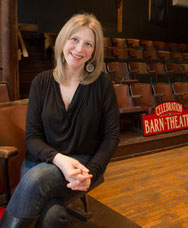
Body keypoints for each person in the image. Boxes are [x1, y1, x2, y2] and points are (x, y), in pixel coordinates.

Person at [0, 13, 119, 228]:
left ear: (94, 51)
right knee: (52, 216)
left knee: (35, 182)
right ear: (63, 39)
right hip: (40, 160)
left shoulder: (102, 84)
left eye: (88, 43)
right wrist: (58, 159)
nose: (79, 49)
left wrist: (90, 171)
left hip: (82, 166)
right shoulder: (41, 82)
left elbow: (111, 137)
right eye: (74, 39)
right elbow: (32, 137)